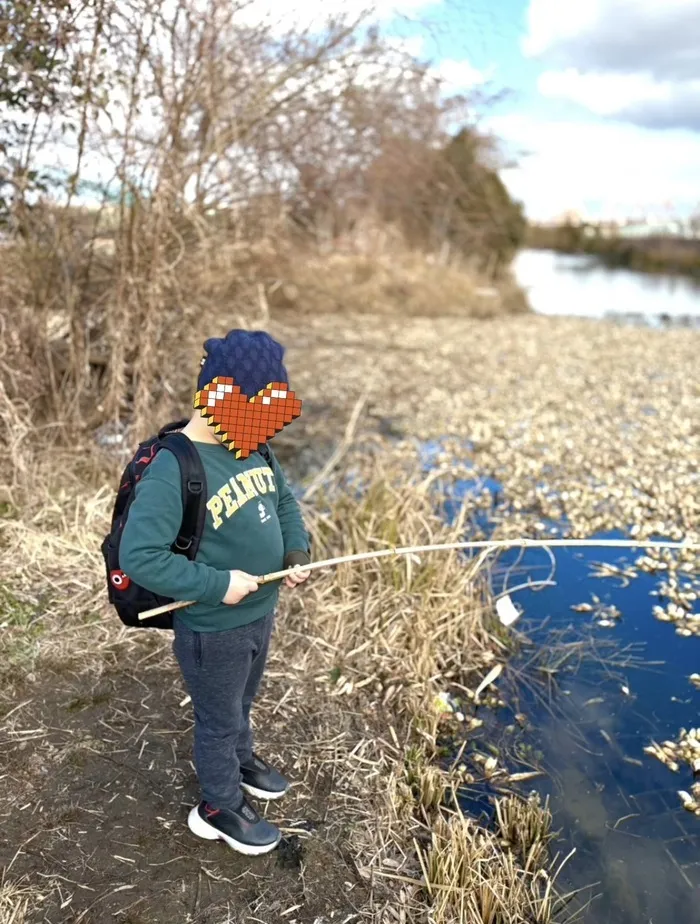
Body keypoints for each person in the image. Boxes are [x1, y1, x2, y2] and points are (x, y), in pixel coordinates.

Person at [119, 329, 310, 856]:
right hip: (211, 626)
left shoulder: (253, 447)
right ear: (221, 396)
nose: (265, 428)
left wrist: (295, 554)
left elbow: (286, 504)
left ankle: (242, 761)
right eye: (259, 411)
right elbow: (142, 556)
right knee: (219, 718)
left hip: (259, 612)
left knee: (242, 701)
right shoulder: (174, 466)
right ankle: (218, 804)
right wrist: (217, 585)